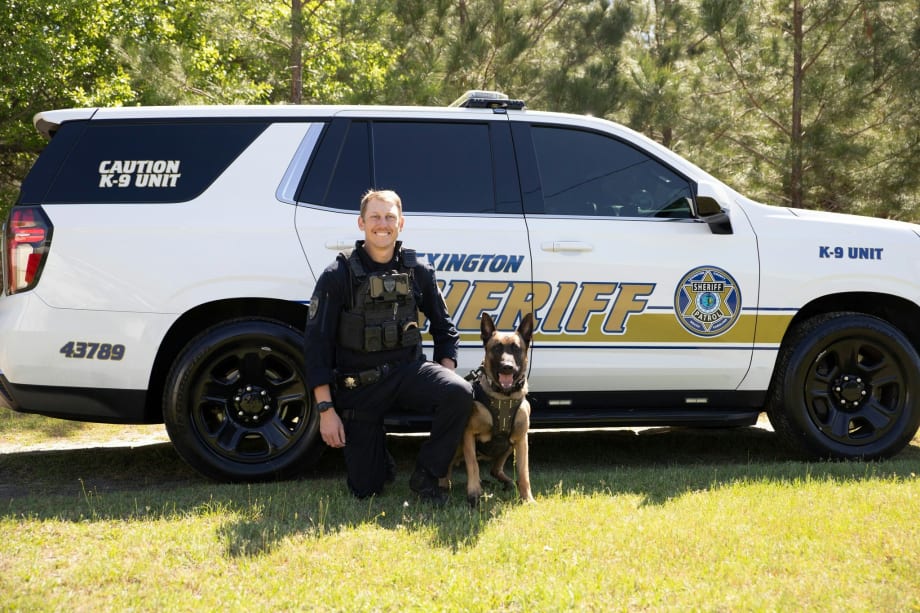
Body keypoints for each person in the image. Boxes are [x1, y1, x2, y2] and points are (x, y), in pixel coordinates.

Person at [304, 189, 473, 504]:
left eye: (390, 217)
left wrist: (444, 374)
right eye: (375, 217)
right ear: (361, 223)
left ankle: (427, 474)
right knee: (366, 488)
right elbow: (317, 346)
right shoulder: (337, 275)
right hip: (360, 387)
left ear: (401, 223)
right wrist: (326, 410)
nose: (383, 224)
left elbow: (444, 329)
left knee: (459, 392)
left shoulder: (417, 270)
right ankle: (379, 460)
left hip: (408, 372)